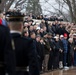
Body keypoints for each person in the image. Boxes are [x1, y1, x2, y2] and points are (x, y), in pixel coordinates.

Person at [6, 10, 40, 75]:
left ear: (9, 26)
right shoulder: (28, 42)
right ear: (21, 27)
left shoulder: (3, 41)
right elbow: (34, 64)